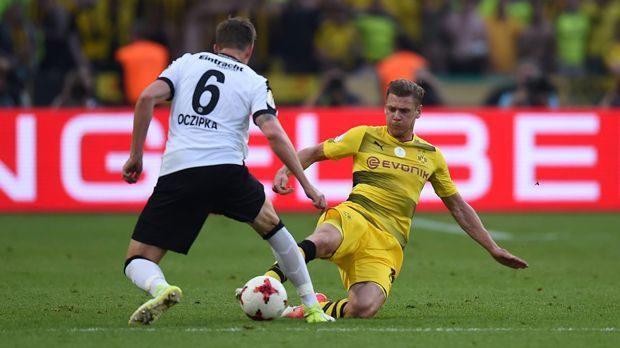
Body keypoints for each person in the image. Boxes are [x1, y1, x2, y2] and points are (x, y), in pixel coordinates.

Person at [121, 17, 334, 325]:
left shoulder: (186, 63)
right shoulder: (253, 80)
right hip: (227, 172)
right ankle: (312, 306)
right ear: (249, 50)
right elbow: (273, 132)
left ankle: (162, 288)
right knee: (275, 230)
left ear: (216, 46)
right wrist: (306, 183)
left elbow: (146, 98)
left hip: (180, 171)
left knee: (137, 258)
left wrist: (136, 156)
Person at [263, 79, 528, 319]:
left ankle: (315, 307)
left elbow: (458, 207)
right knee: (323, 240)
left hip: (389, 241)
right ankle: (266, 282)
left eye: (404, 111)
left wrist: (492, 247)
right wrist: (286, 170)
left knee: (363, 308)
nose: (396, 116)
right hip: (355, 216)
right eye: (391, 109)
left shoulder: (431, 156)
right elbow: (315, 152)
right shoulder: (365, 135)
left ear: (419, 112)